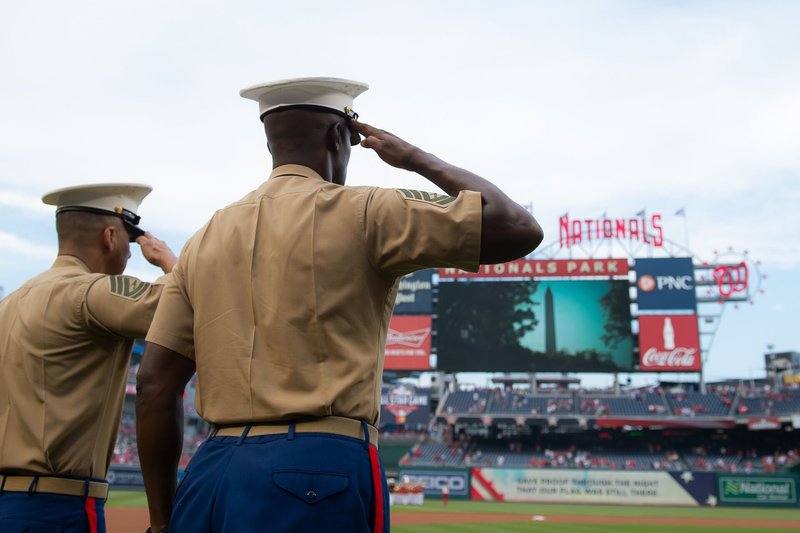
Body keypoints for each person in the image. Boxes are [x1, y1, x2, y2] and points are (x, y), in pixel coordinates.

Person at [136, 77, 543, 533]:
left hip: (210, 472)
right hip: (317, 469)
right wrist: (414, 157)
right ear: (338, 137)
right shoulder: (366, 210)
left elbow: (154, 385)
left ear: (270, 142)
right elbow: (517, 227)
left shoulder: (202, 239)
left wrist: (161, 523)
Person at [0, 184, 177, 533]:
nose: (130, 253)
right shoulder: (90, 293)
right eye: (129, 240)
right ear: (109, 237)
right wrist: (168, 260)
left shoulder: (8, 304)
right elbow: (192, 302)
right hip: (56, 508)